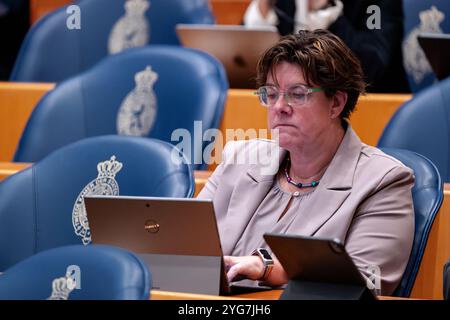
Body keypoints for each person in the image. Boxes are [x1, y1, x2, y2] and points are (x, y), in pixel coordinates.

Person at [197, 29, 414, 296]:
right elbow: (185, 248)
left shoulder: (383, 181)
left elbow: (366, 285)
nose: (279, 107)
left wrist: (270, 268)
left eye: (297, 94)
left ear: (336, 103)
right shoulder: (238, 159)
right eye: (271, 93)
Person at [243, 0, 410, 93]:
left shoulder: (375, 5)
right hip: (290, 102)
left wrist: (327, 13)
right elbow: (239, 54)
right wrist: (263, 11)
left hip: (368, 106)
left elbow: (373, 62)